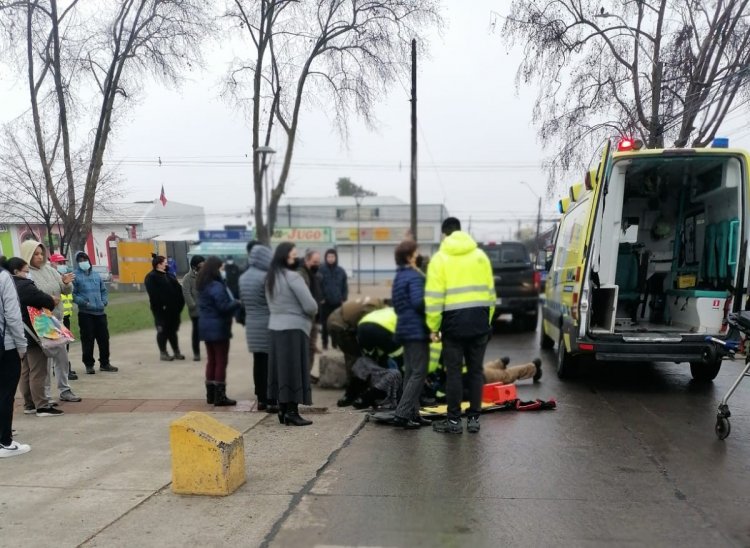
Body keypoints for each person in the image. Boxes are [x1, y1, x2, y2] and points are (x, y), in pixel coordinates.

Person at [425, 217, 495, 434]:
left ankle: (454, 422)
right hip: (479, 322)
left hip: (453, 325)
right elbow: (491, 294)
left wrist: (434, 327)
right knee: (475, 372)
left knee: (453, 373)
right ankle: (474, 419)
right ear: (461, 231)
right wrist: (487, 321)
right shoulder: (480, 256)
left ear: (445, 234)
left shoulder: (439, 259)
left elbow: (434, 298)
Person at [20, 241, 81, 403]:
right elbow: (33, 296)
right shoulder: (27, 274)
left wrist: (67, 283)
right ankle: (45, 395)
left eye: (41, 253)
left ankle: (65, 389)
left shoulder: (51, 270)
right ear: (28, 255)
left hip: (56, 320)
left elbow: (64, 289)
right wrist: (49, 300)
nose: (40, 257)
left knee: (61, 356)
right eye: (35, 254)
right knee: (43, 360)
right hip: (40, 322)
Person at [265, 242, 318, 426]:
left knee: (281, 370)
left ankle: (282, 409)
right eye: (293, 256)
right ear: (285, 257)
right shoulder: (293, 277)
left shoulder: (271, 277)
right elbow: (311, 306)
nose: (296, 259)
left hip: (275, 328)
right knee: (295, 370)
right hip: (295, 329)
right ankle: (292, 412)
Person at [6, 257, 64, 416]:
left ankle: (29, 403)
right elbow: (44, 300)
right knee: (38, 370)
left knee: (26, 370)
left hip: (20, 335)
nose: (28, 274)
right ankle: (42, 405)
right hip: (33, 333)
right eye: (26, 271)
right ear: (16, 271)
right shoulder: (24, 286)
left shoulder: (8, 285)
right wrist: (52, 299)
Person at [390, 239, 432, 429]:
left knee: (410, 372)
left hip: (405, 328)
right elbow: (418, 302)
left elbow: (397, 304)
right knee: (419, 372)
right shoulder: (414, 277)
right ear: (409, 257)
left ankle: (413, 413)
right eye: (416, 253)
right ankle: (402, 413)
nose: (418, 255)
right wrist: (432, 303)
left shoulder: (400, 276)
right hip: (416, 329)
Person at [197, 256, 241, 406]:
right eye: (221, 268)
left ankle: (210, 394)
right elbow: (223, 307)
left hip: (206, 326)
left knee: (212, 360)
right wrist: (236, 303)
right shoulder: (216, 286)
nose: (223, 271)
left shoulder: (203, 284)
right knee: (221, 360)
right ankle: (220, 396)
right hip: (218, 327)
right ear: (216, 269)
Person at [326, 296, 385, 407]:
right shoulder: (373, 309)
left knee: (353, 355)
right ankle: (354, 392)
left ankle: (355, 389)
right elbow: (365, 328)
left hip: (335, 319)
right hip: (340, 324)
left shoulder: (375, 301)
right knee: (355, 357)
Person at [239, 244, 277, 412]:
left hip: (252, 324)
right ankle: (271, 399)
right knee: (269, 363)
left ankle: (260, 398)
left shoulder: (243, 277)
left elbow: (243, 301)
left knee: (258, 362)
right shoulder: (266, 277)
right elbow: (273, 302)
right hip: (267, 324)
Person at [0, 261, 32, 455]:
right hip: (5, 345)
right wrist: (21, 344)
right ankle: (4, 441)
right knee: (5, 393)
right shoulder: (4, 277)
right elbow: (12, 315)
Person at [72, 251, 117, 373]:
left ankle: (105, 363)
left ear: (89, 260)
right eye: (80, 260)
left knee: (104, 339)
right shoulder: (75, 276)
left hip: (100, 313)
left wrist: (104, 301)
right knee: (88, 339)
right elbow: (73, 294)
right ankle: (89, 365)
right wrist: (84, 303)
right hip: (86, 313)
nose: (83, 262)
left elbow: (103, 290)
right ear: (77, 263)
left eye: (85, 259)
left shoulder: (96, 275)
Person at [145, 255, 186, 361]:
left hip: (174, 310)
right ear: (159, 264)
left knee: (172, 331)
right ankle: (163, 353)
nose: (167, 264)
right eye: (165, 262)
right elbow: (154, 294)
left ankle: (176, 352)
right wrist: (162, 305)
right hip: (161, 310)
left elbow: (178, 289)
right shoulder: (151, 277)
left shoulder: (169, 276)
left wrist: (180, 303)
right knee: (162, 330)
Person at [49, 253, 77, 380]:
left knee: (65, 345)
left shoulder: (64, 278)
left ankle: (66, 369)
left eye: (63, 262)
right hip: (55, 317)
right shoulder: (52, 277)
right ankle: (61, 370)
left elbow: (69, 293)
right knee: (58, 346)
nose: (62, 265)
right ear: (52, 263)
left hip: (65, 316)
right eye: (59, 263)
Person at [297, 249, 323, 382]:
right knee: (306, 348)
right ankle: (302, 376)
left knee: (311, 348)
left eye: (318, 262)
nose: (317, 264)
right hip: (305, 318)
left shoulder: (313, 274)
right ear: (306, 260)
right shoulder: (301, 274)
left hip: (313, 317)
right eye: (314, 262)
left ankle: (306, 374)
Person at [319, 248, 348, 350]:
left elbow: (344, 286)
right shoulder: (321, 270)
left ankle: (335, 343)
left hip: (337, 302)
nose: (331, 259)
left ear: (336, 258)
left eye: (332, 257)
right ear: (326, 258)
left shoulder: (341, 271)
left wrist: (344, 298)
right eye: (329, 257)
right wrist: (321, 298)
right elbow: (318, 285)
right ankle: (324, 343)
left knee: (336, 324)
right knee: (325, 324)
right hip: (325, 302)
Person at [182, 255, 205, 362]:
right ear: (194, 266)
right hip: (195, 310)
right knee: (196, 332)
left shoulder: (206, 275)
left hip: (206, 309)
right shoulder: (187, 278)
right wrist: (192, 305)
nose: (203, 266)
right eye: (201, 264)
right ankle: (196, 353)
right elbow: (186, 293)